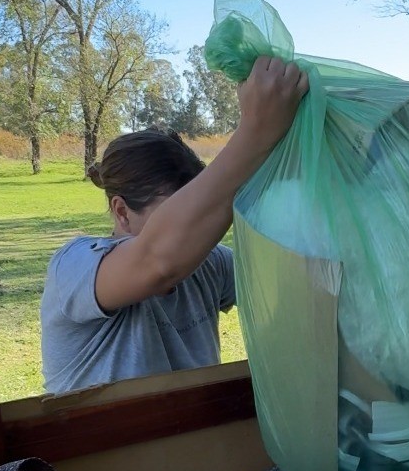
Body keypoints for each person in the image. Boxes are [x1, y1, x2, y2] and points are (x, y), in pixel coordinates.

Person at [40, 55, 308, 394]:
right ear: (121, 212)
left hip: (191, 438)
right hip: (101, 445)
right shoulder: (74, 268)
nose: (198, 228)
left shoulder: (209, 265)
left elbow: (296, 279)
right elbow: (159, 263)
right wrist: (257, 131)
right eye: (174, 212)